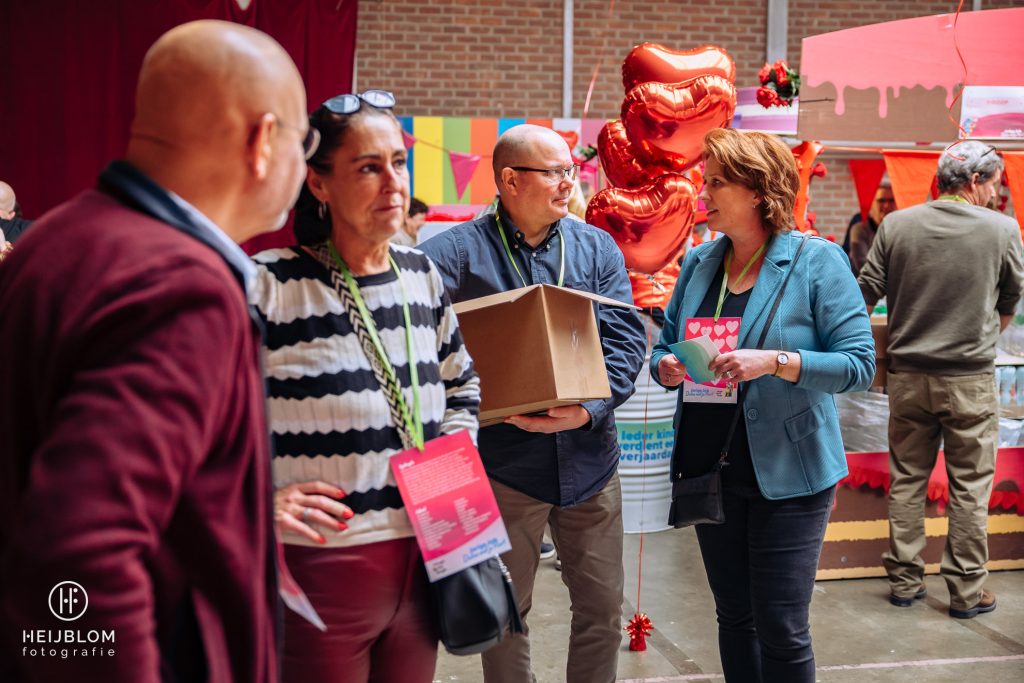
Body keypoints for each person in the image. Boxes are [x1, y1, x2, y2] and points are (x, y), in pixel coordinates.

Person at [0, 20, 311, 683]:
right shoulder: (182, 287)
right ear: (263, 141)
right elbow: (82, 550)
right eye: (303, 140)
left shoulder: (52, 240)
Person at [250, 90, 480, 683]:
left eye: (398, 162)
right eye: (368, 167)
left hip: (430, 555)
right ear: (319, 183)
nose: (393, 183)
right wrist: (252, 500)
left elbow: (461, 386)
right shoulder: (269, 284)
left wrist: (448, 473)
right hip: (320, 564)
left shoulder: (420, 274)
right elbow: (201, 422)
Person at [419, 123, 646, 683]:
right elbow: (411, 330)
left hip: (591, 462)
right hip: (504, 467)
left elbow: (625, 341)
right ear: (510, 180)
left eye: (571, 170)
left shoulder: (595, 247)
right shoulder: (455, 254)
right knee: (504, 615)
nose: (569, 182)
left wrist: (589, 410)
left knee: (602, 610)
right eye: (555, 172)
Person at [651, 128, 875, 683]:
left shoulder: (816, 262)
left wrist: (775, 361)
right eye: (705, 180)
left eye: (717, 182)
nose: (703, 192)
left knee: (781, 626)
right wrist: (666, 366)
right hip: (710, 465)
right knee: (734, 617)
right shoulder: (700, 262)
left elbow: (858, 365)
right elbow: (665, 344)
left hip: (790, 472)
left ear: (757, 190)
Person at [858, 141, 1024, 619]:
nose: (995, 195)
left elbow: (863, 293)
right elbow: (1009, 301)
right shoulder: (1002, 229)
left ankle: (905, 581)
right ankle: (967, 592)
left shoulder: (896, 225)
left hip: (908, 378)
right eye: (994, 185)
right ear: (974, 181)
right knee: (970, 487)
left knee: (907, 479)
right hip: (969, 380)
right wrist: (979, 335)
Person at [848, 182, 895, 275]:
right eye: (881, 201)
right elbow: (863, 266)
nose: (886, 205)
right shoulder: (860, 229)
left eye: (891, 200)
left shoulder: (900, 229)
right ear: (872, 204)